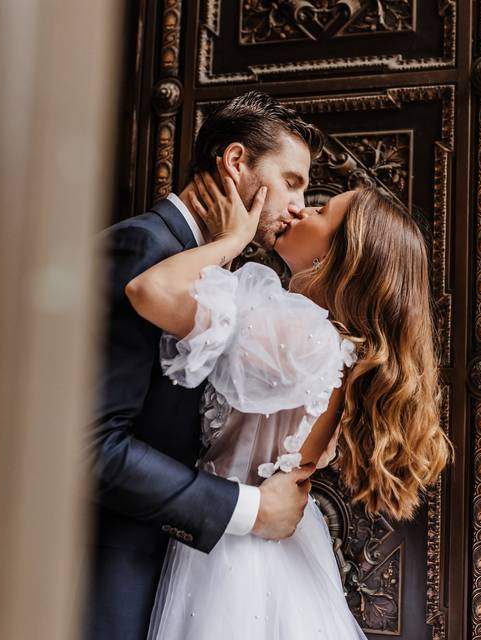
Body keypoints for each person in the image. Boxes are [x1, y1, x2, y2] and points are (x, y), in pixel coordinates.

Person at [126, 169, 453, 638]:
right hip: (281, 550)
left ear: (343, 256)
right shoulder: (342, 349)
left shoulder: (298, 337)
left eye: (322, 212)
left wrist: (231, 239)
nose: (302, 208)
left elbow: (149, 291)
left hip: (231, 556)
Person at [86, 92, 324, 640]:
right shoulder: (142, 249)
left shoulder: (212, 268)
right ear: (236, 161)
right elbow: (92, 445)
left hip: (173, 574)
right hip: (108, 574)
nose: (298, 203)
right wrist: (247, 511)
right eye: (291, 181)